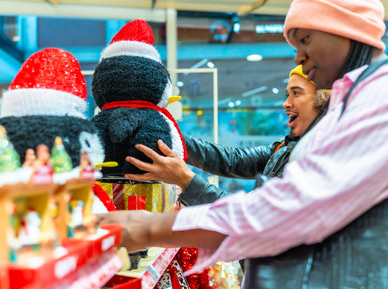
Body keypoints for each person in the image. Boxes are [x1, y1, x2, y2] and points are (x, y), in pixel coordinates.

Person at [98, 0, 388, 289]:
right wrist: (170, 136)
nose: (299, 57)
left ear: (348, 30)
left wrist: (148, 227)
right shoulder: (324, 122)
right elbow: (234, 160)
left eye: (306, 39)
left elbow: (293, 207)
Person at [125, 65, 330, 207]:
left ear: (324, 99)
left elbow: (253, 215)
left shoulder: (319, 161)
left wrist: (186, 179)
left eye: (296, 93)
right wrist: (170, 134)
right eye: (287, 94)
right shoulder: (287, 148)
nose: (286, 103)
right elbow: (232, 160)